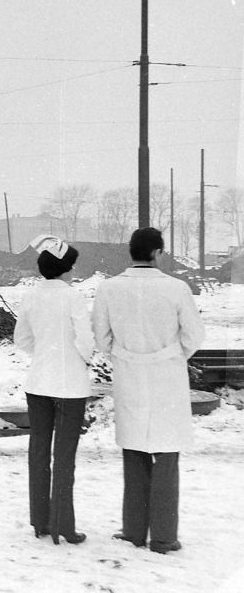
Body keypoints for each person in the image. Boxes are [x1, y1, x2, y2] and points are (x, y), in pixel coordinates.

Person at [92, 227, 205, 555]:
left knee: (134, 452)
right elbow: (195, 335)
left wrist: (124, 355)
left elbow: (101, 337)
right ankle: (164, 537)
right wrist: (172, 355)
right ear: (157, 252)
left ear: (131, 251)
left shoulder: (109, 288)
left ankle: (134, 531)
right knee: (167, 457)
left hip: (129, 375)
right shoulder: (176, 288)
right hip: (167, 377)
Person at [13, 234, 92, 545]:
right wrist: (81, 360)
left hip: (38, 383)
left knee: (38, 452)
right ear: (64, 269)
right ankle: (63, 524)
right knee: (64, 455)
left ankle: (40, 522)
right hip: (70, 386)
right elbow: (85, 340)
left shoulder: (30, 296)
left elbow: (22, 340)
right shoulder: (73, 297)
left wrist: (44, 353)